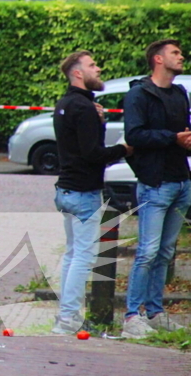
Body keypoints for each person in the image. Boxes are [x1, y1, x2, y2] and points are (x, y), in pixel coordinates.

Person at [51, 51, 131, 335]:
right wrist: (124, 149)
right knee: (83, 256)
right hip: (84, 192)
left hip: (66, 189)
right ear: (77, 73)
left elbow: (78, 144)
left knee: (73, 255)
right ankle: (68, 318)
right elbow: (93, 153)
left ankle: (66, 316)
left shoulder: (65, 104)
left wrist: (100, 121)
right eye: (92, 65)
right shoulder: (84, 108)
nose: (98, 69)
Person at [120, 39, 191, 338]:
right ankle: (131, 316)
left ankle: (156, 311)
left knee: (164, 252)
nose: (182, 56)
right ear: (158, 59)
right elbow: (134, 134)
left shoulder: (180, 93)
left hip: (181, 181)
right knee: (147, 252)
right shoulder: (139, 94)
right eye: (175, 53)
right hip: (155, 182)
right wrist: (172, 138)